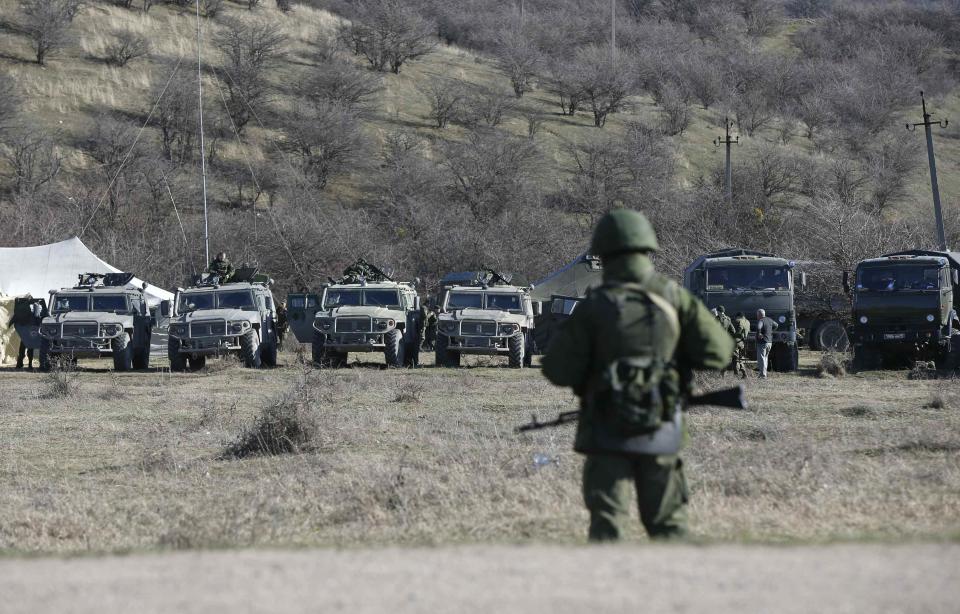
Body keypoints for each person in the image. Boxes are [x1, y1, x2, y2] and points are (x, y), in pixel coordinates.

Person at [542, 209, 733, 541]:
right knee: (669, 528)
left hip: (604, 429)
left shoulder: (595, 305)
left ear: (601, 252)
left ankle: (613, 591)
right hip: (661, 425)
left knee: (607, 528)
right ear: (649, 248)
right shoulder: (674, 297)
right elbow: (719, 353)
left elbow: (556, 370)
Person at [8, 297, 43, 370]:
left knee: (22, 349)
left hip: (24, 334)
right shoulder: (30, 314)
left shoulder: (19, 313)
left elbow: (12, 321)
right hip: (29, 334)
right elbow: (38, 321)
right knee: (29, 349)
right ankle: (28, 364)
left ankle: (21, 364)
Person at [755, 308, 778, 378]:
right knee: (765, 358)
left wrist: (759, 333)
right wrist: (771, 331)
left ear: (759, 315)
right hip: (769, 342)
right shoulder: (770, 319)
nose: (757, 316)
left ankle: (762, 375)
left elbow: (759, 327)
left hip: (762, 342)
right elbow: (776, 325)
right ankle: (764, 374)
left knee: (761, 358)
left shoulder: (761, 320)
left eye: (757, 315)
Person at [733, 311, 751, 378]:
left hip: (737, 341)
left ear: (738, 316)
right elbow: (748, 331)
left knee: (735, 359)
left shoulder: (739, 320)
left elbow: (739, 329)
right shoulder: (747, 322)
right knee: (739, 358)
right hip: (742, 342)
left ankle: (736, 375)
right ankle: (744, 374)